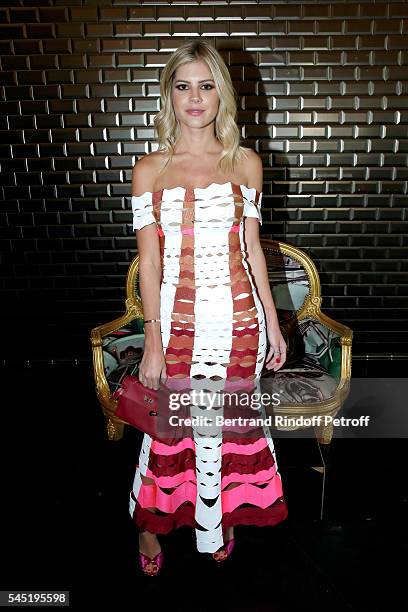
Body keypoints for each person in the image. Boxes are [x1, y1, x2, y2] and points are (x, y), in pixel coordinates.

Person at [129, 40, 289, 577]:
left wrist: (271, 321)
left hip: (239, 322)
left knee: (232, 427)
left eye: (206, 84)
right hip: (176, 325)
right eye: (183, 86)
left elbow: (252, 249)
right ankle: (151, 525)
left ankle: (218, 517)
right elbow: (148, 264)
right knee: (169, 429)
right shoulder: (149, 168)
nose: (195, 97)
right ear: (169, 96)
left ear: (222, 93)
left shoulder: (246, 163)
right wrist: (152, 338)